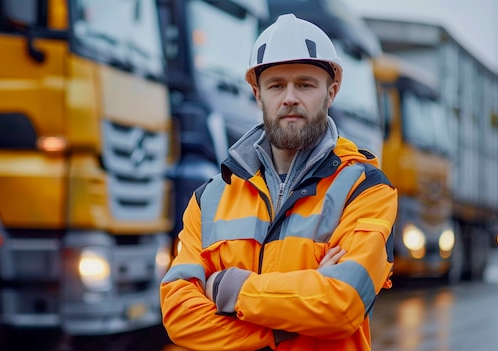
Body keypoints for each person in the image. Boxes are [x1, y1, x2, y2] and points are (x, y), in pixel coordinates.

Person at [160, 13, 397, 351]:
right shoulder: (210, 198)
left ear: (331, 92)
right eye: (276, 85)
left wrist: (229, 288)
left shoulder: (364, 189)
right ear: (257, 94)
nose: (289, 97)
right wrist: (285, 326)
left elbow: (342, 306)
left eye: (305, 84)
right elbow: (179, 316)